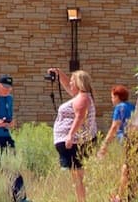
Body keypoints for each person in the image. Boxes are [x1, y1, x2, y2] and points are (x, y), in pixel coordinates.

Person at [49, 68, 96, 202]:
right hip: (75, 142)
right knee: (76, 176)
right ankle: (80, 199)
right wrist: (59, 74)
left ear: (78, 83)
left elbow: (80, 117)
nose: (69, 84)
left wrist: (70, 135)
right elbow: (68, 88)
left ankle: (81, 200)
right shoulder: (82, 96)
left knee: (77, 176)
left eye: (72, 81)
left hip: (75, 142)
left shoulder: (83, 98)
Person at [97, 85, 134, 202]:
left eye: (112, 97)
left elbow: (115, 126)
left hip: (125, 138)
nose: (111, 100)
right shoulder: (132, 106)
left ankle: (120, 196)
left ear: (117, 97)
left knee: (126, 166)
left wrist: (104, 145)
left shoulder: (119, 108)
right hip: (135, 138)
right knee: (131, 166)